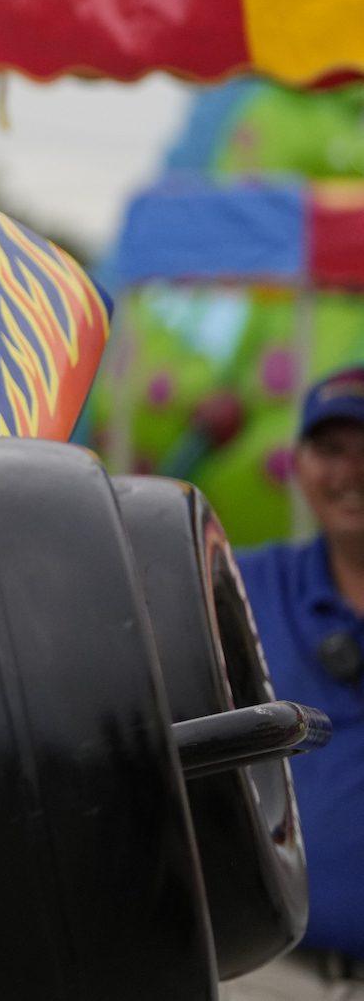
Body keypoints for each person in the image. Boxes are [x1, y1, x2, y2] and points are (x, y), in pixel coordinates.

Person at [230, 366, 364, 999]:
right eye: (330, 450)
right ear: (299, 462)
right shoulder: (243, 586)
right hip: (274, 973)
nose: (349, 474)